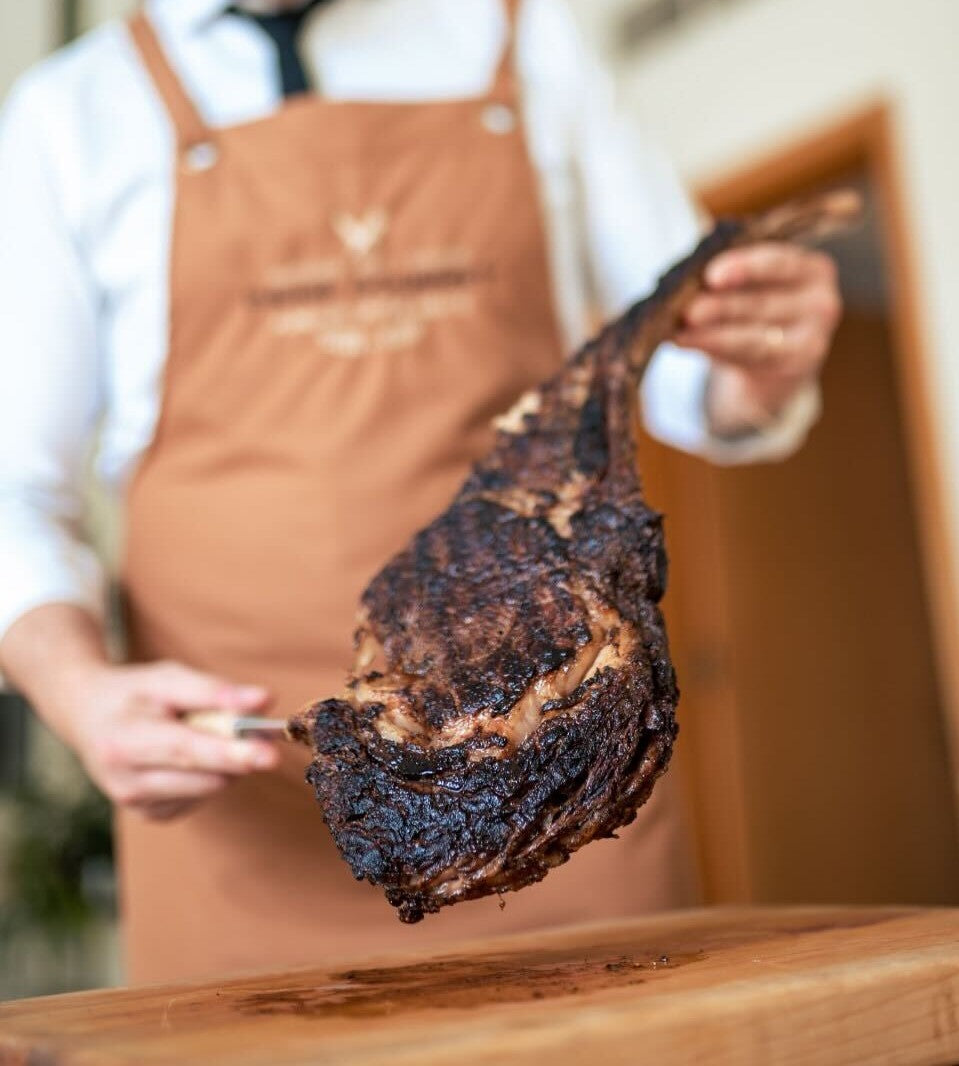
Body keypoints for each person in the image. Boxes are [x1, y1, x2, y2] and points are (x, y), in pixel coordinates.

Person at [0, 0, 842, 984]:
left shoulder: (525, 38)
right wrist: (77, 691)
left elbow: (688, 373)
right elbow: (14, 481)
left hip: (556, 797)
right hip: (242, 831)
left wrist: (754, 370)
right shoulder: (68, 113)